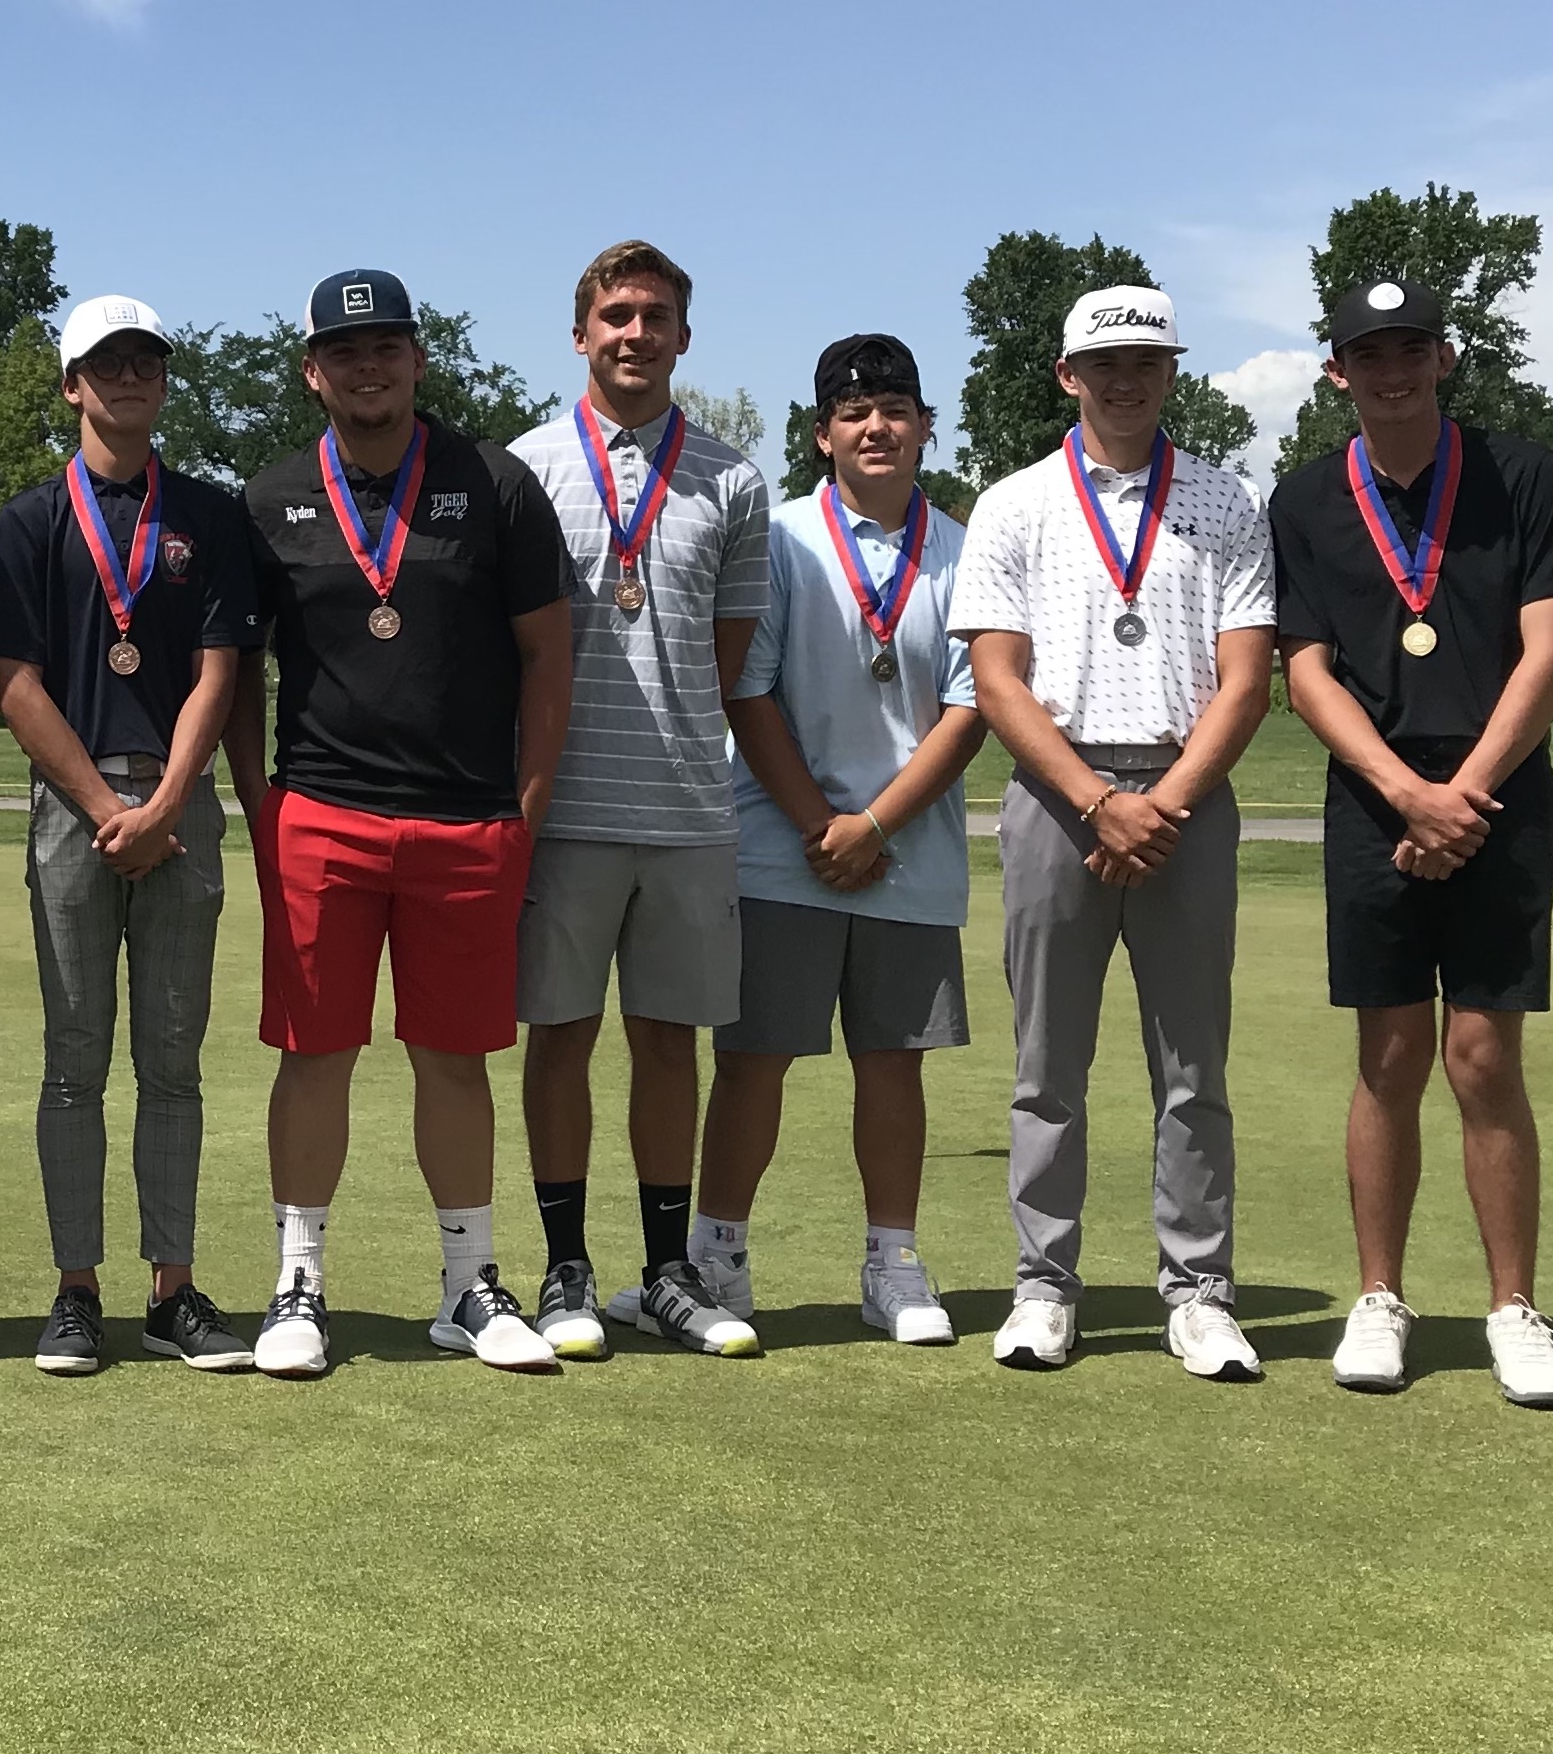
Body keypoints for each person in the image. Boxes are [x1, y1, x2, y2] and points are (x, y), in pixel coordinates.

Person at [223, 268, 577, 1378]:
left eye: (387, 346)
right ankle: (298, 1279)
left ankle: (467, 1281)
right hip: (320, 814)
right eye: (345, 349)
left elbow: (546, 656)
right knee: (311, 1054)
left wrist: (524, 808)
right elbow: (234, 673)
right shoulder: (270, 495)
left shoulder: (497, 482)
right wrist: (258, 800)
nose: (366, 366)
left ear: (419, 359)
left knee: (453, 1059)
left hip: (466, 822)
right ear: (310, 368)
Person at [1267, 280, 1553, 1410]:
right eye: (1368, 352)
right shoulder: (1304, 496)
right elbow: (1302, 669)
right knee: (1389, 1056)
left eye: (1410, 348)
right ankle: (1378, 1296)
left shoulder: (1524, 473)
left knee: (1482, 1058)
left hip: (1497, 787)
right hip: (1374, 791)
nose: (1390, 369)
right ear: (1334, 370)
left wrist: (1460, 794)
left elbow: (1546, 654)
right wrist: (1407, 793)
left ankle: (1510, 1307)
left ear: (1444, 358)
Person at [946, 285, 1276, 1380]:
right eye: (1104, 362)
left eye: (1145, 360)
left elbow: (1243, 680)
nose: (1124, 379)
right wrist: (1097, 799)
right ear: (1066, 375)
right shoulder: (1013, 503)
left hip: (1183, 797)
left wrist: (1163, 801)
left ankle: (1197, 1290)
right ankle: (1044, 1284)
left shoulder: (1225, 500)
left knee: (1192, 1069)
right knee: (1047, 1068)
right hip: (1056, 800)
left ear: (1171, 370)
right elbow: (996, 679)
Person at [0, 294, 265, 1375]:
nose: (127, 377)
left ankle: (172, 1290)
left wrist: (168, 799)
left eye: (144, 361)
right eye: (106, 363)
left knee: (173, 1063)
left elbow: (221, 674)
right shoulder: (31, 519)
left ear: (162, 379)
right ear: (70, 385)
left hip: (180, 809)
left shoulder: (212, 513)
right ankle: (75, 1290)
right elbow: (15, 685)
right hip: (72, 811)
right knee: (72, 1063)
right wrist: (104, 807)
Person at [503, 241, 770, 1359]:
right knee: (557, 1040)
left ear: (682, 336)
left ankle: (664, 1273)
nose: (633, 333)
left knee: (670, 1046)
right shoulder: (519, 468)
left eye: (654, 315)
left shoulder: (733, 477)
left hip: (685, 813)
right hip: (560, 811)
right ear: (579, 332)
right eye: (614, 313)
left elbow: (726, 655)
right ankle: (565, 1267)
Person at [709, 335, 984, 1347]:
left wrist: (870, 824)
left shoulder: (964, 549)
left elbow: (969, 709)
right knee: (750, 1060)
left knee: (891, 1061)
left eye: (895, 408)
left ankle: (892, 1263)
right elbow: (748, 690)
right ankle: (717, 1256)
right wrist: (818, 823)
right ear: (821, 432)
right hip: (781, 846)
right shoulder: (780, 539)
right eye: (853, 411)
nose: (876, 426)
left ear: (921, 425)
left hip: (906, 851)